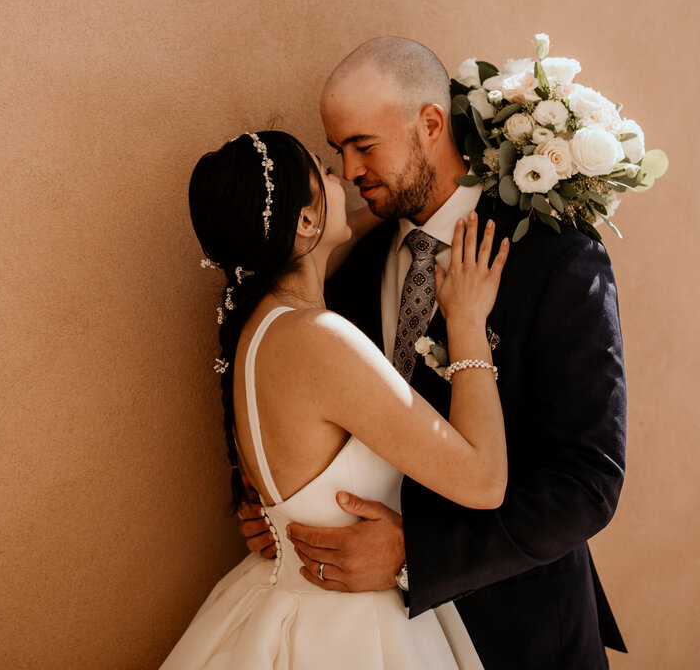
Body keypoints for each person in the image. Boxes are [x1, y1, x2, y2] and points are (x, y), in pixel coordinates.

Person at [238, 38, 628, 669]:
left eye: (364, 146)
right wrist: (275, 504)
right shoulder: (351, 274)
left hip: (519, 635)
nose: (350, 170)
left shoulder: (555, 258)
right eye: (338, 150)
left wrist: (416, 555)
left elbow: (588, 482)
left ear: (429, 124)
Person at [161, 129, 510, 669]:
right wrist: (464, 324)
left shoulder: (254, 335)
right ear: (304, 222)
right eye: (324, 172)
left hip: (276, 602)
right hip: (350, 632)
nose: (344, 176)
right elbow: (484, 481)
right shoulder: (321, 338)